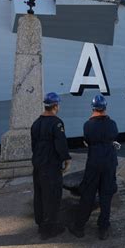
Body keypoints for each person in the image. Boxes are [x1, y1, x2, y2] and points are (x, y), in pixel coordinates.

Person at [69, 94, 119, 240]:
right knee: (106, 195)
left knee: (87, 195)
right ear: (105, 108)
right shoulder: (112, 124)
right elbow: (114, 135)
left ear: (93, 108)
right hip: (109, 163)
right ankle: (103, 228)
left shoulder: (88, 125)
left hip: (94, 163)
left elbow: (88, 139)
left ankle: (79, 227)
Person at [31, 92, 72, 239]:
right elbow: (61, 144)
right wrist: (66, 159)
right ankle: (50, 228)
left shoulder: (36, 123)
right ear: (55, 106)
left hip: (38, 165)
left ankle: (41, 223)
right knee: (53, 196)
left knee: (40, 195)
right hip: (51, 166)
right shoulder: (57, 123)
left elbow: (33, 146)